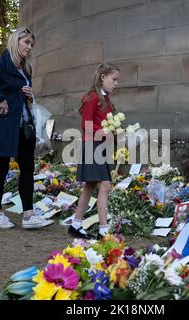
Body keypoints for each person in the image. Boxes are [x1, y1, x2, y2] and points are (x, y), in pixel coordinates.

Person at [0, 27, 53, 229]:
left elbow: (21, 95)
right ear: (16, 41)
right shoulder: (1, 64)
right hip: (3, 125)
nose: (29, 47)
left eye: (31, 44)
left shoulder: (25, 69)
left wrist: (29, 95)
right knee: (1, 168)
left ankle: (28, 215)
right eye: (26, 43)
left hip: (24, 126)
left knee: (27, 169)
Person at [68, 63, 120, 240]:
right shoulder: (92, 97)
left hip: (99, 146)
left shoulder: (105, 100)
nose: (116, 83)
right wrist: (103, 132)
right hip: (92, 146)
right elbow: (86, 125)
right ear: (103, 77)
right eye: (114, 79)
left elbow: (102, 124)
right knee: (104, 185)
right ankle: (103, 230)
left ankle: (76, 224)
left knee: (90, 186)